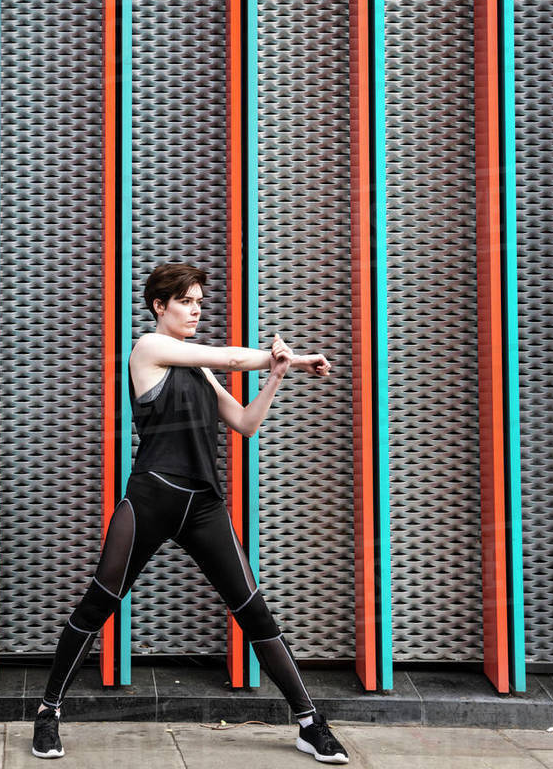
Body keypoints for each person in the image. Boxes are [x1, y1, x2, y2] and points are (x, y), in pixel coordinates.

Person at [32, 262, 349, 764]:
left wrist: (279, 376)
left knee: (254, 610)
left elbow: (245, 423)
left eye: (200, 300)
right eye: (186, 300)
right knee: (100, 602)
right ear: (160, 306)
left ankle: (310, 724)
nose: (196, 308)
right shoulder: (149, 348)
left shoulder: (198, 367)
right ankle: (48, 713)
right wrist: (286, 357)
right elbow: (229, 357)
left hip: (203, 505)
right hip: (153, 497)